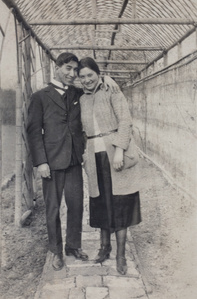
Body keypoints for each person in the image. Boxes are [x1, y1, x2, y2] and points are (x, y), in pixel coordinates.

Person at [27, 52, 119, 271]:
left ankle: (73, 246)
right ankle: (56, 251)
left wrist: (106, 78)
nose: (72, 74)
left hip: (74, 161)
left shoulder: (78, 93)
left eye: (75, 70)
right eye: (68, 68)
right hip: (51, 162)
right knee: (53, 208)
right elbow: (33, 132)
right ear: (57, 67)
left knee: (76, 205)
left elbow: (95, 86)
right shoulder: (40, 97)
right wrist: (41, 162)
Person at [78, 57, 141, 275]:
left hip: (114, 154)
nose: (87, 80)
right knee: (101, 203)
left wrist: (119, 151)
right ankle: (105, 248)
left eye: (90, 75)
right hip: (94, 158)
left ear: (98, 73)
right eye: (82, 76)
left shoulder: (112, 91)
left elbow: (125, 120)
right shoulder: (82, 99)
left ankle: (121, 256)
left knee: (120, 203)